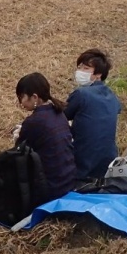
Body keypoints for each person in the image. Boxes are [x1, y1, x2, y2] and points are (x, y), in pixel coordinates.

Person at [14, 73, 78, 203]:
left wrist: (17, 138)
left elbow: (19, 154)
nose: (21, 103)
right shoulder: (59, 113)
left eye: (22, 97)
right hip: (69, 181)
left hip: (51, 189)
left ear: (34, 97)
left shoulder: (33, 121)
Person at [63, 48, 122, 182]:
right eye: (79, 67)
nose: (80, 71)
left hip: (83, 163)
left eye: (86, 68)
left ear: (98, 74)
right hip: (109, 163)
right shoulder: (113, 97)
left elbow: (62, 116)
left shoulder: (81, 94)